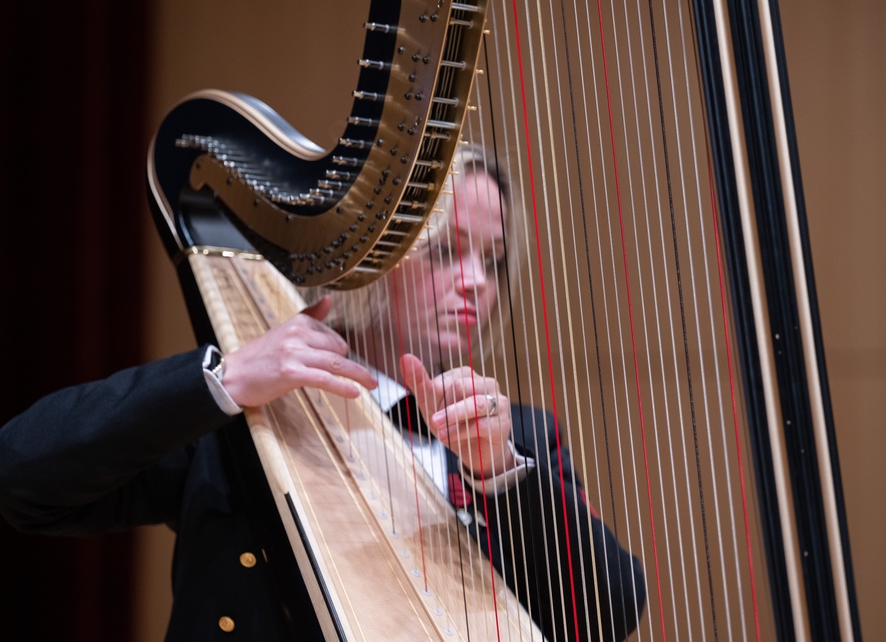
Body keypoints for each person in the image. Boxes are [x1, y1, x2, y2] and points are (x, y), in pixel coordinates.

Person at [0, 144, 645, 641]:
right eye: (447, 251)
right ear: (377, 257)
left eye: (493, 259)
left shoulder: (517, 440)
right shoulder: (251, 412)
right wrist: (221, 382)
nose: (476, 281)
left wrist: (500, 475)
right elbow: (22, 475)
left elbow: (609, 614)